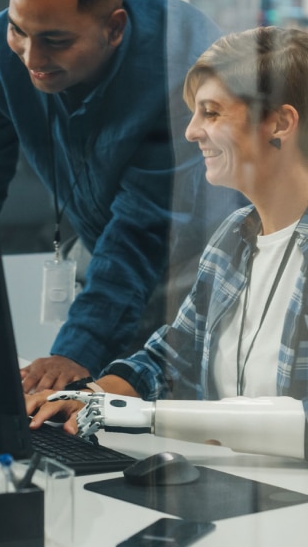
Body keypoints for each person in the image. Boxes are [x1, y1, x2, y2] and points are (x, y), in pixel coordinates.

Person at [0, 0, 242, 393]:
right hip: (103, 248)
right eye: (20, 30)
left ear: (114, 27)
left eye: (56, 41)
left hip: (203, 271)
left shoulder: (176, 57)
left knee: (177, 413)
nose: (31, 57)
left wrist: (75, 351)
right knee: (85, 410)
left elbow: (142, 230)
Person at [27, 26, 308, 461]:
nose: (192, 131)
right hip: (240, 487)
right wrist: (91, 397)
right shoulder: (234, 236)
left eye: (211, 113)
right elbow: (174, 354)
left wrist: (151, 416)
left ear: (280, 123)